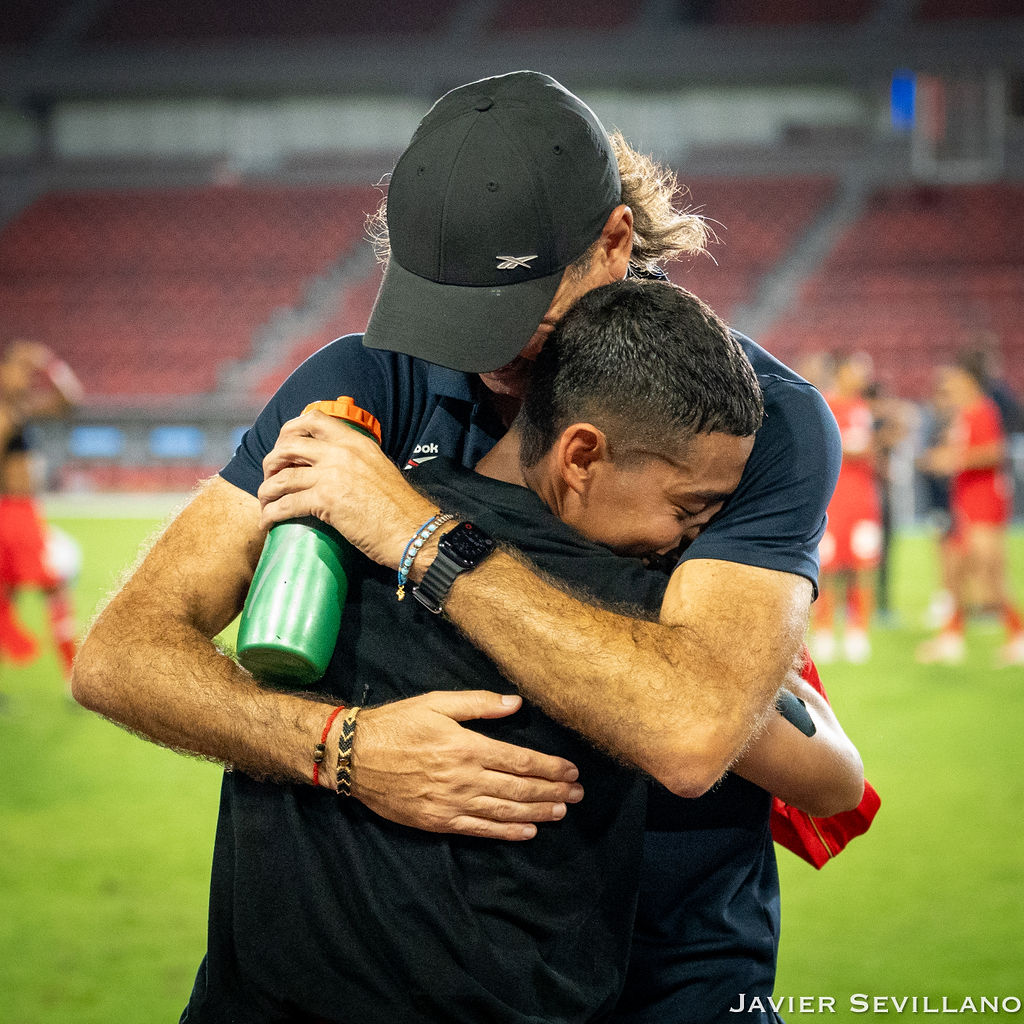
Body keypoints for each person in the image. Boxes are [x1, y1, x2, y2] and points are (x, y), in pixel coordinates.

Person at [72, 70, 844, 1014]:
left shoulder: (749, 425)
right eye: (453, 313)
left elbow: (693, 732)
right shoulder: (372, 380)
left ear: (613, 242)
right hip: (359, 976)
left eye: (519, 324)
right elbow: (121, 654)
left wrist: (415, 531)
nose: (482, 358)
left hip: (666, 971)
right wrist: (336, 745)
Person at [172, 279, 861, 1022]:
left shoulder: (342, 518)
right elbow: (820, 772)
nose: (690, 537)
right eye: (688, 510)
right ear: (581, 456)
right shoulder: (633, 601)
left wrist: (327, 741)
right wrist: (345, 748)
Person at [916, 356, 1024, 666]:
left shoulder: (983, 411)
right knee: (960, 571)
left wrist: (955, 460)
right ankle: (952, 638)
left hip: (984, 501)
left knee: (990, 571)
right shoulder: (965, 413)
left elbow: (994, 452)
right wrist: (939, 457)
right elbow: (963, 450)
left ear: (969, 381)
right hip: (965, 500)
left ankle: (1017, 635)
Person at [0, 340, 84, 686]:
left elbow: (70, 401)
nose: (28, 377)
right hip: (13, 515)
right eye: (21, 369)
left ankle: (72, 676)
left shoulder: (20, 408)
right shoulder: (6, 412)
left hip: (22, 513)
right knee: (55, 583)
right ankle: (74, 678)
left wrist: (51, 365)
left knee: (9, 596)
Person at [811, 352, 883, 663]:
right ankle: (824, 631)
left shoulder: (862, 407)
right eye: (856, 371)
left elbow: (866, 449)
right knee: (826, 568)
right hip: (832, 501)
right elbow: (831, 446)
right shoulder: (823, 404)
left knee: (862, 568)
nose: (862, 377)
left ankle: (857, 631)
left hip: (863, 501)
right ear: (841, 372)